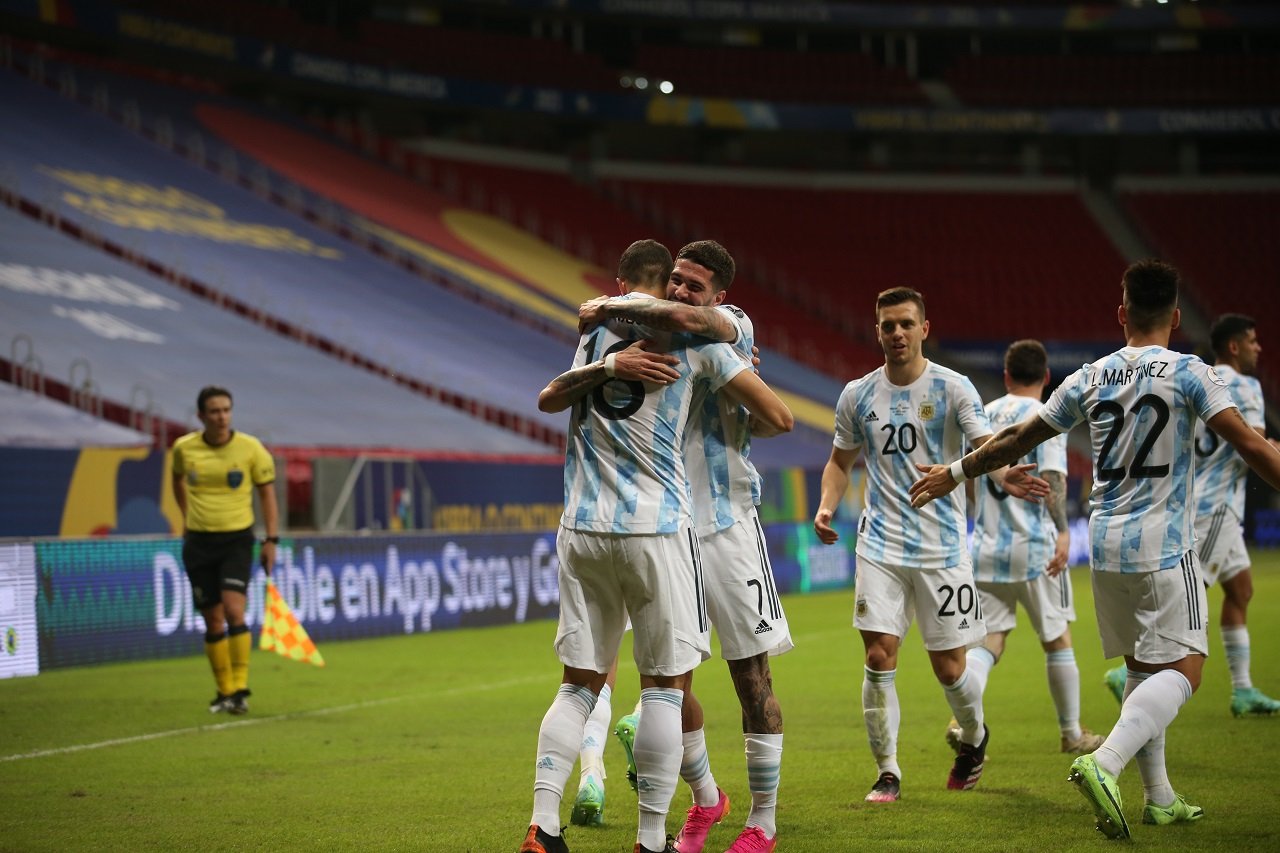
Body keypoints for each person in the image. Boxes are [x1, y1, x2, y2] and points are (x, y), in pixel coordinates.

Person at [909, 260, 1280, 840]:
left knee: (1139, 669)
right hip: (1165, 543)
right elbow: (1251, 448)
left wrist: (956, 471)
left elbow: (1016, 438)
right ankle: (1105, 762)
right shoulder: (1192, 374)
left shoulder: (1089, 376)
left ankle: (1158, 797)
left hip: (1105, 544)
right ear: (1177, 317)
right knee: (1186, 669)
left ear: (1121, 312)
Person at [520, 239, 793, 853]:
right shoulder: (627, 330)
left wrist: (604, 304)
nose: (678, 293)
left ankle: (763, 822)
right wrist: (616, 334)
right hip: (663, 527)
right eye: (674, 280)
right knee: (671, 687)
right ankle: (694, 806)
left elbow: (777, 417)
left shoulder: (716, 330)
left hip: (720, 522)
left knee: (747, 677)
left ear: (719, 298)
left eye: (693, 286)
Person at [813, 287, 1046, 804]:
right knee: (879, 655)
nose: (896, 333)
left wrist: (1003, 474)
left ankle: (974, 738)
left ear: (924, 328)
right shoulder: (857, 394)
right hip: (880, 546)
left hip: (942, 549)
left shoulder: (953, 388)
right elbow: (839, 461)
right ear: (877, 331)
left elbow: (984, 445)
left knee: (951, 668)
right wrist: (828, 504)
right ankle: (888, 772)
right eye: (887, 325)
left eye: (905, 324)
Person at [1104, 313, 1280, 717]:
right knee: (1188, 594)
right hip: (1215, 505)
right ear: (1233, 346)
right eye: (1252, 341)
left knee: (1241, 590)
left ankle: (1243, 689)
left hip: (1198, 497)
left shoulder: (1198, 377)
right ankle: (1137, 670)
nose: (1258, 347)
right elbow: (1247, 443)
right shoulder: (1244, 385)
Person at [951, 339, 1105, 755]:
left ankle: (962, 716)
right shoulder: (1044, 414)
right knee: (1057, 639)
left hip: (986, 546)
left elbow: (970, 480)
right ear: (1046, 378)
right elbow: (1053, 480)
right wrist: (1062, 531)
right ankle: (1072, 733)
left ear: (1005, 376)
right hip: (1034, 548)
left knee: (989, 641)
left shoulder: (983, 414)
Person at [170, 386, 278, 715]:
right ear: (201, 416)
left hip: (236, 540)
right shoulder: (184, 449)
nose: (222, 417)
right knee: (213, 620)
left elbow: (267, 495)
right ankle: (224, 691)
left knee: (234, 610)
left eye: (226, 410)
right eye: (215, 411)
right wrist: (185, 517)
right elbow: (177, 480)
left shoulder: (251, 448)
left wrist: (271, 540)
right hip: (199, 543)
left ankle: (241, 688)